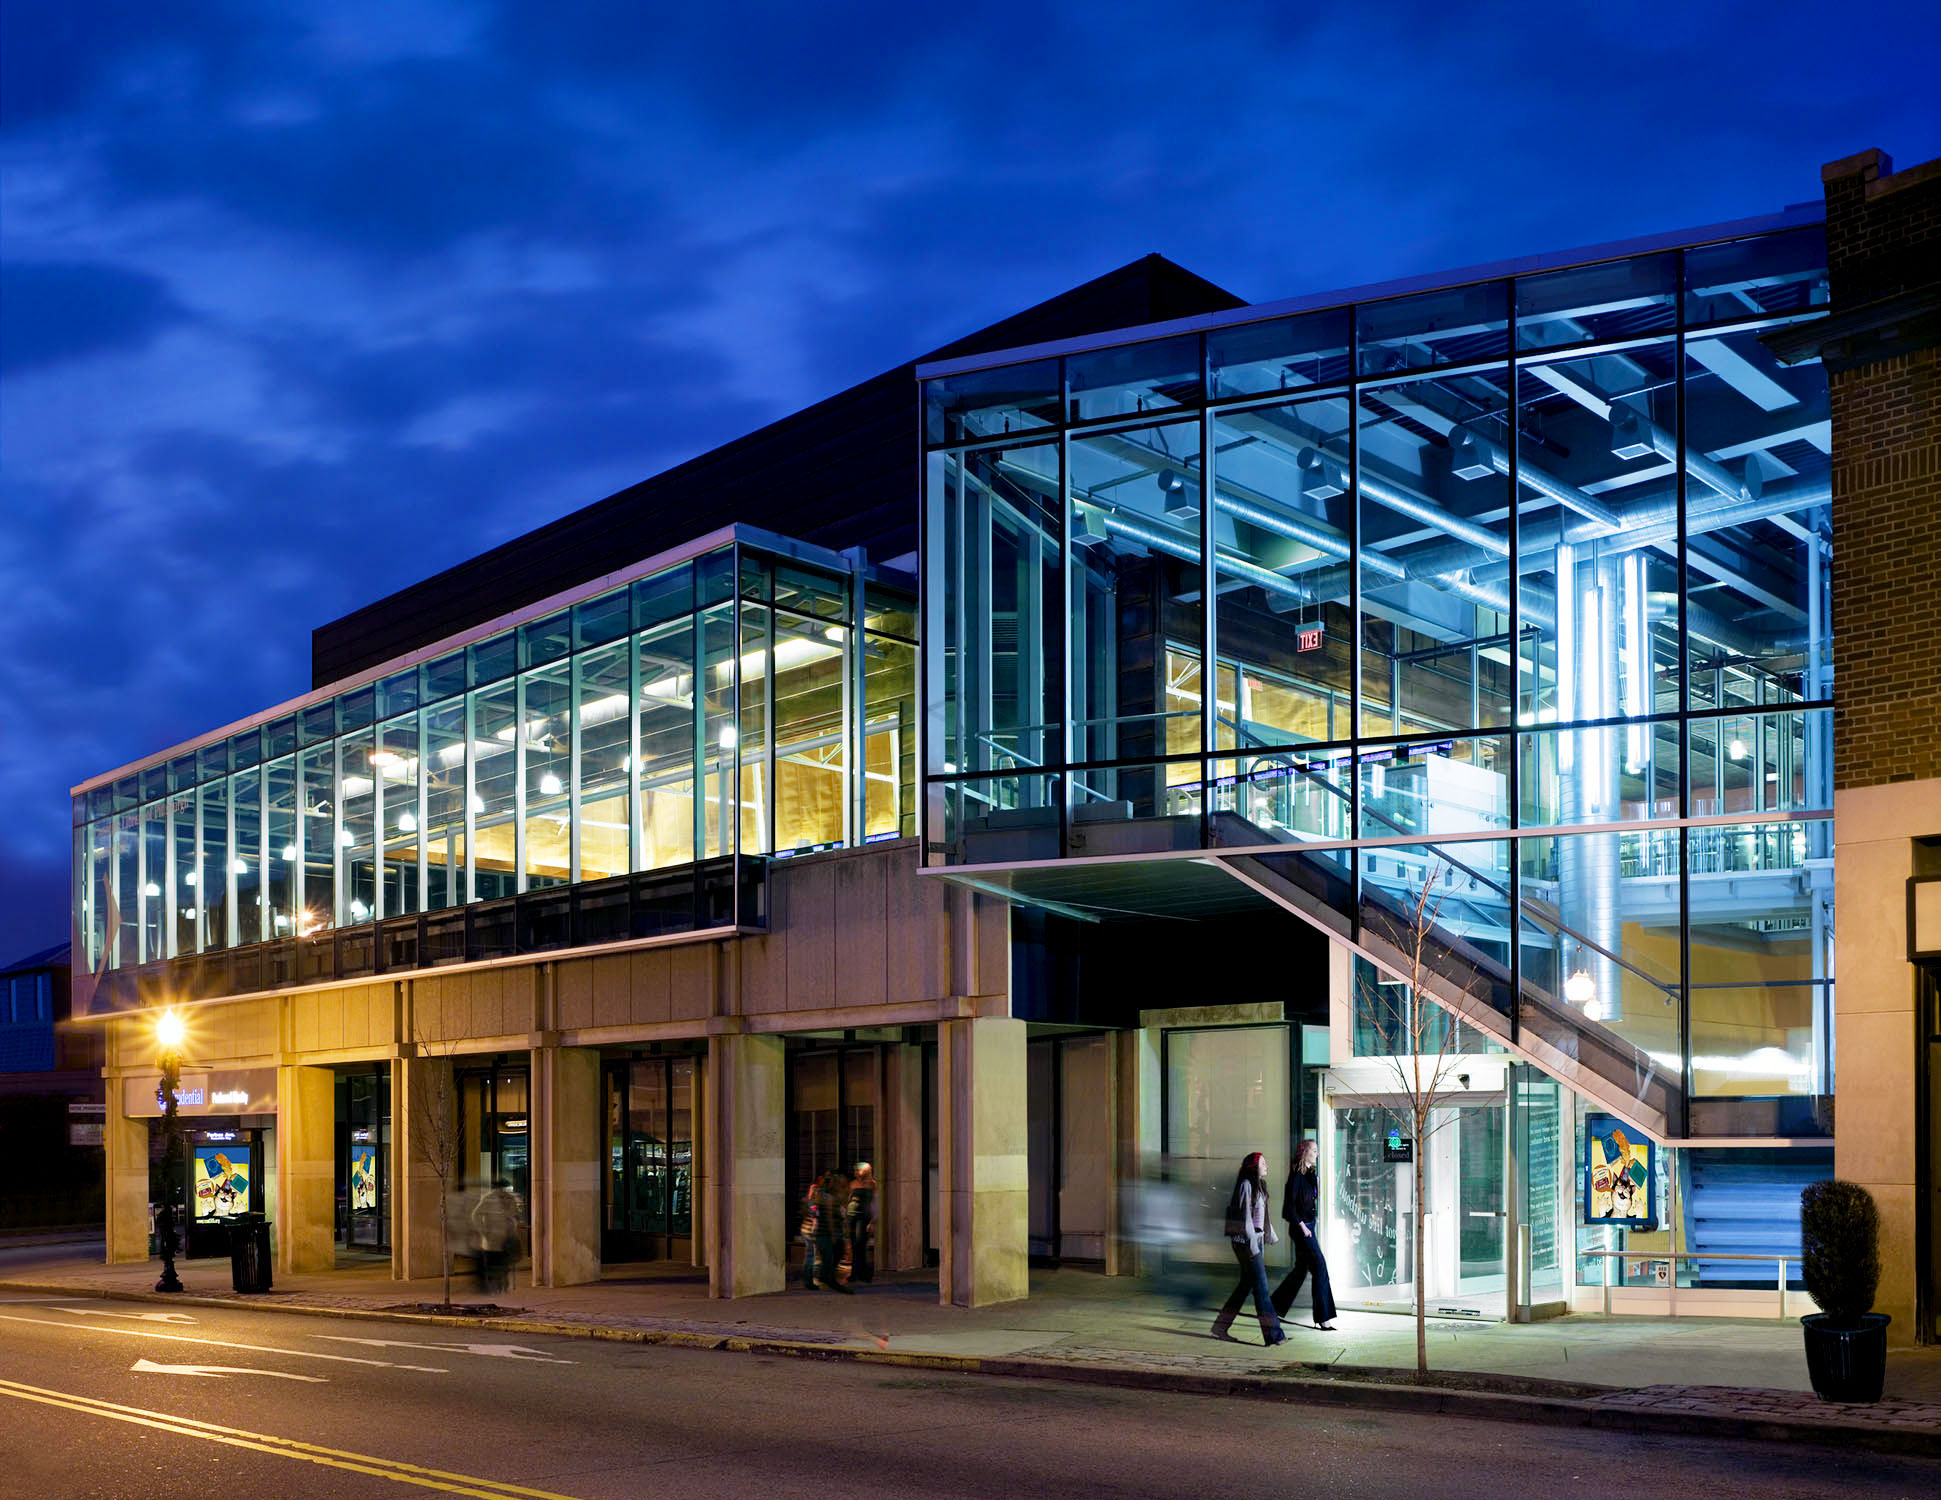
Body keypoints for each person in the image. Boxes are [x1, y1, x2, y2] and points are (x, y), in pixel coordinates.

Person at [1210, 1152, 1285, 1346]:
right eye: (1262, 1162)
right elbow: (1246, 1220)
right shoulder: (1246, 1185)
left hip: (1255, 1240)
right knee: (1262, 1288)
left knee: (1245, 1286)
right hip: (1245, 1243)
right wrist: (1254, 1246)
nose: (1266, 1165)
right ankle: (1274, 1335)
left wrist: (1270, 1237)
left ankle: (1220, 1327)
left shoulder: (1261, 1186)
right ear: (1253, 1167)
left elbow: (1263, 1216)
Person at [1271, 1139, 1337, 1330]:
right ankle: (1324, 1318)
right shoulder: (1296, 1176)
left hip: (1309, 1226)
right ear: (1305, 1152)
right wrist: (1303, 1226)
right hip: (1302, 1230)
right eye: (1314, 1150)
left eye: (1317, 1150)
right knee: (1320, 1268)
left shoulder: (1309, 1174)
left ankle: (1273, 1307)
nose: (1317, 1153)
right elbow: (1289, 1208)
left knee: (1301, 1270)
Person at [472, 1178, 520, 1294]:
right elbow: (476, 1215)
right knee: (498, 1262)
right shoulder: (491, 1198)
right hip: (495, 1237)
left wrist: (484, 1231)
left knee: (498, 1262)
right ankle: (499, 1283)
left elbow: (475, 1215)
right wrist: (484, 1231)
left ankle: (499, 1283)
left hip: (500, 1237)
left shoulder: (505, 1198)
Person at [812, 1169, 852, 1293]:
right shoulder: (826, 1196)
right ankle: (828, 1279)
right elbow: (829, 1217)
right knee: (829, 1258)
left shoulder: (835, 1197)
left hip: (831, 1233)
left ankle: (827, 1277)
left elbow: (841, 1215)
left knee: (836, 1254)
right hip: (826, 1234)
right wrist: (834, 1235)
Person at [846, 1162, 877, 1284]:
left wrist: (873, 1220)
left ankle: (864, 1273)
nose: (855, 1173)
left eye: (857, 1170)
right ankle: (855, 1273)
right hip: (852, 1216)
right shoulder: (853, 1184)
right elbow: (848, 1199)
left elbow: (875, 1202)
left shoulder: (872, 1184)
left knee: (861, 1245)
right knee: (855, 1245)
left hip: (864, 1217)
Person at [798, 1180, 822, 1290]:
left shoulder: (806, 1202)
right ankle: (809, 1282)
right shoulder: (813, 1204)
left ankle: (809, 1280)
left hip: (805, 1231)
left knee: (810, 1256)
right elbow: (815, 1219)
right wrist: (815, 1232)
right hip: (810, 1232)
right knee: (810, 1257)